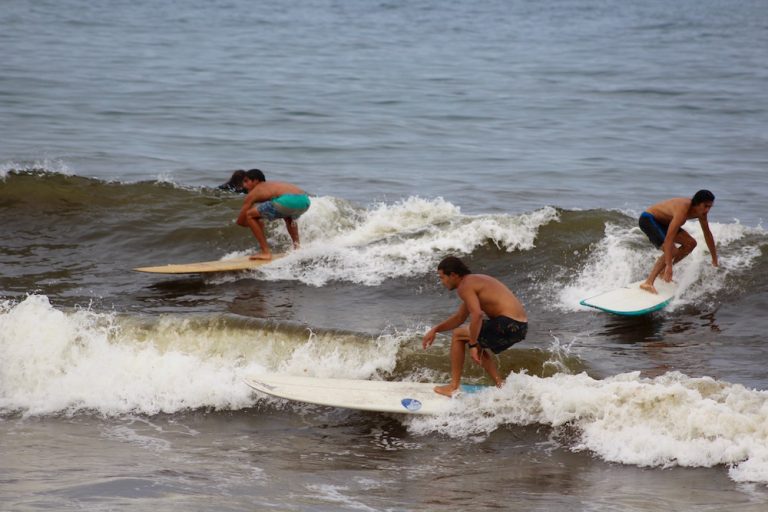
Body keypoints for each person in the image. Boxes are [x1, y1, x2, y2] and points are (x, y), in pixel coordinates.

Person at [422, 256, 528, 397]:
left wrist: (471, 345)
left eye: (442, 277)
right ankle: (500, 386)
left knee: (458, 335)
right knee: (476, 339)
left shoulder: (465, 286)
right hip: (520, 327)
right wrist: (435, 329)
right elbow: (460, 318)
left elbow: (477, 315)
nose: (442, 282)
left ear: (453, 275)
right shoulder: (474, 282)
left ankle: (453, 386)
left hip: (507, 323)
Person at [638, 190, 718, 294]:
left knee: (691, 243)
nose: (707, 210)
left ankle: (662, 272)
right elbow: (669, 239)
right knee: (672, 251)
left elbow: (708, 235)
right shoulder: (683, 209)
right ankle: (648, 283)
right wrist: (669, 266)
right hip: (648, 219)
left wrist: (714, 259)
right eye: (705, 206)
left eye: (710, 207)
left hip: (664, 223)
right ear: (697, 203)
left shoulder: (701, 213)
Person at [236, 169, 311, 260]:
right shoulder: (273, 185)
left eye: (246, 181)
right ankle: (297, 247)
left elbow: (240, 220)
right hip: (305, 200)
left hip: (287, 201)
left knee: (250, 215)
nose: (244, 185)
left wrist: (256, 224)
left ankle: (266, 252)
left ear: (255, 180)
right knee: (288, 217)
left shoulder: (254, 192)